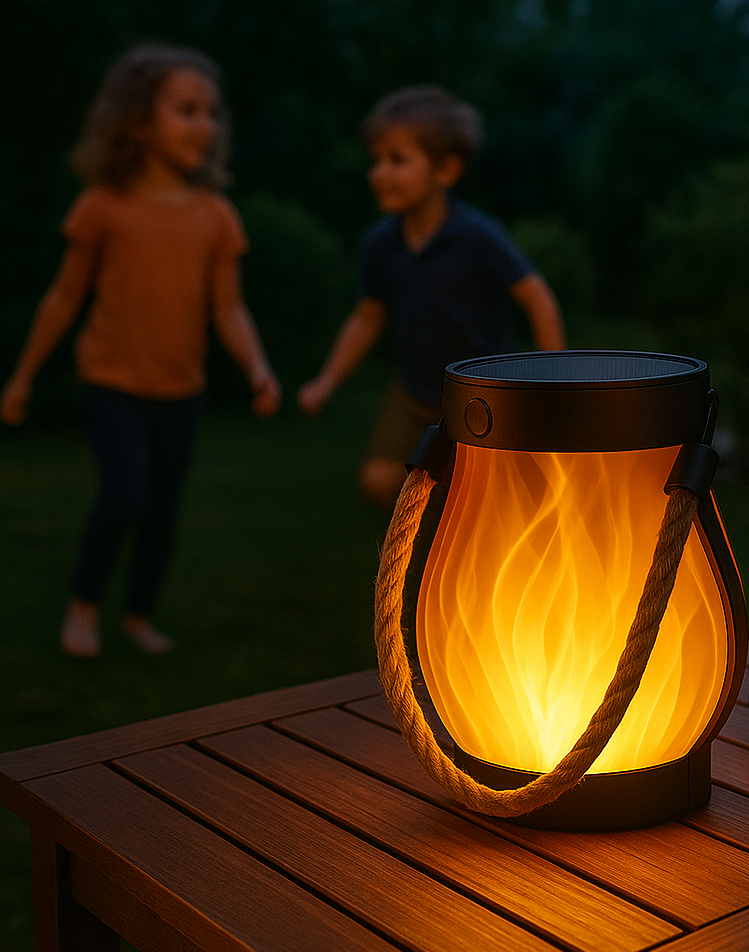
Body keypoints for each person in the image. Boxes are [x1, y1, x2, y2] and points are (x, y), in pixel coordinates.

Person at [0, 44, 281, 658]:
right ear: (138, 122)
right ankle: (83, 607)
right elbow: (64, 297)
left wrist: (256, 366)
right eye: (186, 110)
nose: (205, 125)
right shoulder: (102, 206)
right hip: (112, 380)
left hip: (180, 389)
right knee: (125, 493)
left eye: (211, 112)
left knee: (161, 509)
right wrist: (22, 377)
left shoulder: (216, 215)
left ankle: (137, 616)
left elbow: (228, 308)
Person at [298, 85, 565, 509]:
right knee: (379, 481)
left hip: (481, 398)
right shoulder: (380, 245)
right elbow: (366, 318)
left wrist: (559, 378)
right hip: (412, 396)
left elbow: (536, 295)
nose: (379, 173)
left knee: (502, 497)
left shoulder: (476, 237)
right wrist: (326, 382)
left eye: (397, 160)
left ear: (446, 170)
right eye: (376, 161)